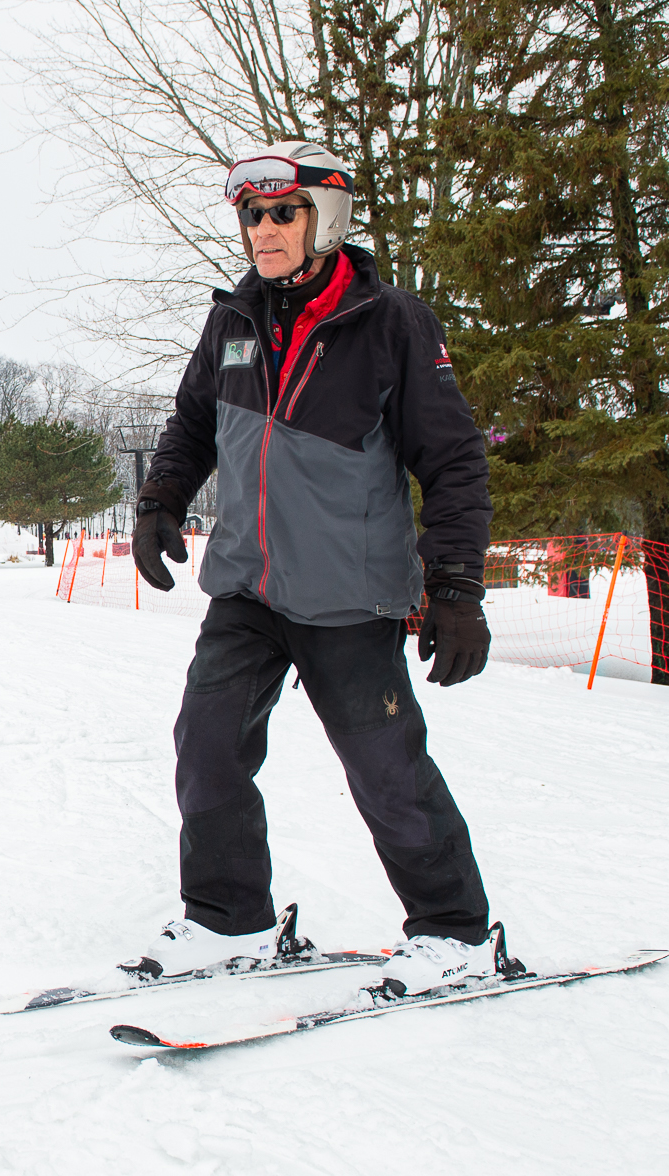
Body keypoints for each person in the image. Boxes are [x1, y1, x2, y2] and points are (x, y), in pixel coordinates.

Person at [127, 141, 496, 998]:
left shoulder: (391, 323)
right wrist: (159, 504)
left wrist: (456, 587)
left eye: (282, 213)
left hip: (350, 596)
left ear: (325, 219)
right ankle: (228, 919)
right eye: (253, 216)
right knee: (206, 746)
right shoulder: (232, 323)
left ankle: (454, 931)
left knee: (386, 771)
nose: (263, 230)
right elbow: (190, 426)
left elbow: (452, 461)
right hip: (249, 587)